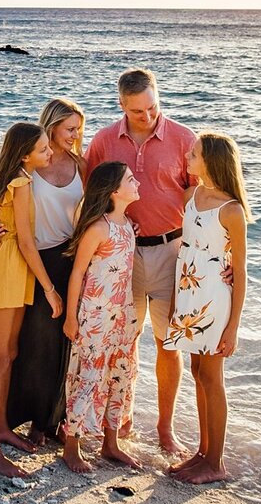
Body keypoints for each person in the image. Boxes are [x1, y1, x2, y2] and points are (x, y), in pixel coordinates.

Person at [83, 68, 199, 454]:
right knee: (120, 343)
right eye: (137, 112)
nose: (147, 117)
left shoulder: (184, 139)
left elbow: (204, 202)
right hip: (120, 255)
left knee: (169, 345)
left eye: (152, 108)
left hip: (173, 252)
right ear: (121, 105)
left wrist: (220, 254)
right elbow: (79, 194)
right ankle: (118, 421)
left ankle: (165, 428)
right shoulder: (102, 142)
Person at [163, 132, 252, 484]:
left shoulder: (231, 211)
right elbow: (186, 251)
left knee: (212, 378)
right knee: (198, 373)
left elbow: (241, 270)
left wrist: (233, 327)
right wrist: (175, 302)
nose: (187, 155)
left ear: (212, 161)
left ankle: (215, 462)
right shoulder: (194, 195)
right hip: (189, 295)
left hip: (215, 299)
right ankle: (202, 453)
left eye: (194, 153)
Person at [0, 121, 64, 478]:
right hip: (11, 267)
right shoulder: (21, 183)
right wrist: (49, 287)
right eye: (44, 149)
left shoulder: (14, 177)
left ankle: (0, 428)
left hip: (12, 265)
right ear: (25, 154)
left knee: (9, 354)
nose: (49, 153)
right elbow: (27, 242)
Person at [5, 98, 86, 446]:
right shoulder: (29, 166)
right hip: (38, 259)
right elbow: (5, 206)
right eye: (70, 129)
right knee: (38, 340)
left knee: (68, 342)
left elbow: (95, 208)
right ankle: (32, 420)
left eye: (78, 129)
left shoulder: (82, 164)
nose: (75, 135)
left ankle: (57, 419)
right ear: (51, 126)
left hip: (75, 258)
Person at [60, 161, 147, 473]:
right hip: (95, 313)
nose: (137, 182)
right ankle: (72, 445)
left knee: (121, 375)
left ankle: (111, 443)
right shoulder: (99, 228)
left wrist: (131, 316)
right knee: (90, 377)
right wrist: (71, 317)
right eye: (130, 179)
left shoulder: (126, 226)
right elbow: (77, 273)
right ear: (114, 191)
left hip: (122, 313)